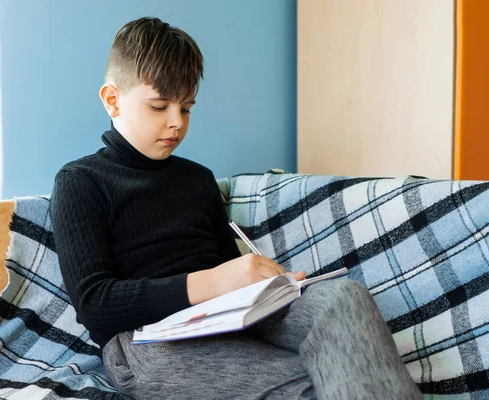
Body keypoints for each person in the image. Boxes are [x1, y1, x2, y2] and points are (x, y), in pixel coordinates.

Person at [50, 17, 423, 400]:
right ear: (112, 100)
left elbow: (230, 270)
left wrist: (263, 284)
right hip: (147, 342)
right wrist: (215, 281)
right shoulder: (81, 181)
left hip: (229, 317)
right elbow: (96, 306)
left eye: (187, 108)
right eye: (159, 106)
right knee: (312, 383)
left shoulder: (197, 178)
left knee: (344, 297)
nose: (176, 123)